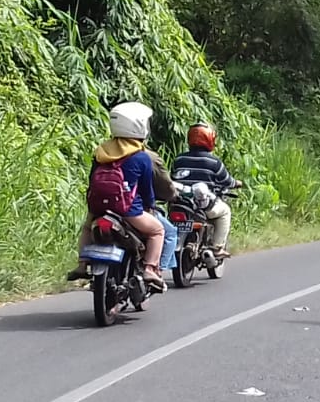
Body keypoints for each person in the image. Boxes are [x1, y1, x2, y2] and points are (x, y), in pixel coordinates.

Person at [66, 102, 166, 288]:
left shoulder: (101, 152)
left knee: (87, 228)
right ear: (139, 125)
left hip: (99, 208)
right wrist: (150, 206)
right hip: (128, 210)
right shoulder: (141, 156)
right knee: (157, 231)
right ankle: (150, 269)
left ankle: (81, 264)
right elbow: (146, 189)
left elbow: (92, 180)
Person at [172, 122, 241, 258]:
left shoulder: (179, 159)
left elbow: (172, 178)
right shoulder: (214, 162)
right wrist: (237, 183)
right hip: (204, 207)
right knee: (225, 212)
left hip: (180, 205)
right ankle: (216, 247)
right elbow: (227, 181)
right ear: (210, 139)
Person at [145, 147, 179, 273]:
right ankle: (156, 269)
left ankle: (82, 264)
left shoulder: (104, 152)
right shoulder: (147, 158)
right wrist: (171, 196)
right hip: (136, 209)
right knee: (167, 232)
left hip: (101, 208)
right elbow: (165, 185)